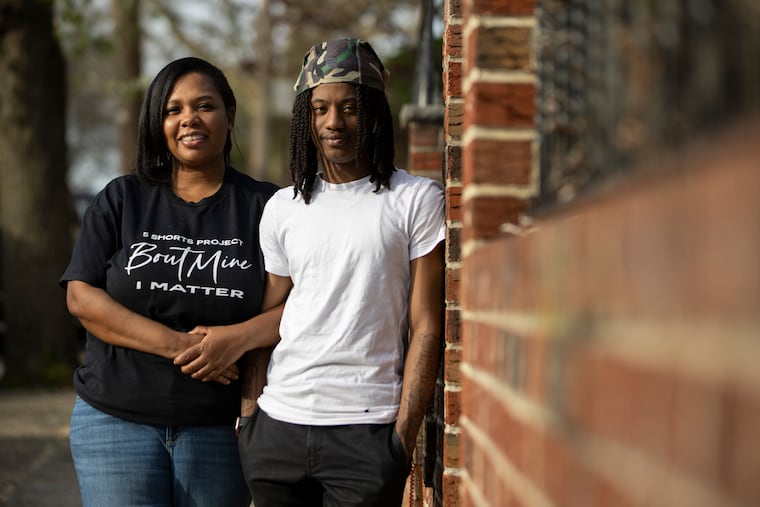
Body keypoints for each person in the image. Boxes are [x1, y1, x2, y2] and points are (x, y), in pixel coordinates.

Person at [59, 56, 281, 507]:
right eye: (172, 109)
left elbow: (295, 305)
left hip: (221, 431)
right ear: (157, 123)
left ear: (230, 115)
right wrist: (182, 347)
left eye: (204, 105)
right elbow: (82, 297)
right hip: (114, 423)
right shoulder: (123, 198)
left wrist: (235, 340)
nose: (188, 120)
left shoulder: (267, 207)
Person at [237, 38, 446, 506]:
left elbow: (427, 325)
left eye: (350, 108)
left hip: (367, 430)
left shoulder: (414, 200)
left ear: (373, 112)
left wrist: (401, 440)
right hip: (277, 430)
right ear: (305, 117)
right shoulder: (283, 209)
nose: (334, 123)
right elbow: (268, 320)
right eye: (320, 109)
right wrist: (249, 420)